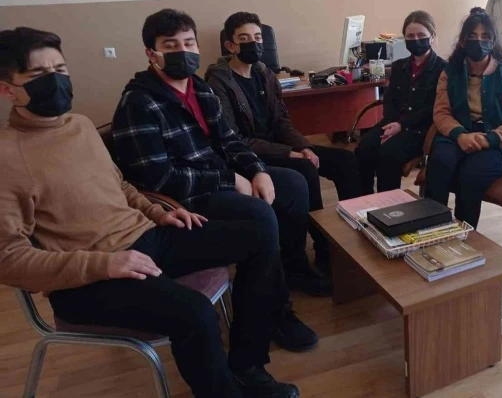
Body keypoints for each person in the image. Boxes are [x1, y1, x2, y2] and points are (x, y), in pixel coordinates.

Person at [0, 27, 299, 398]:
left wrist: (157, 213)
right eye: (39, 74)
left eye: (60, 70)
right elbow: (8, 259)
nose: (55, 81)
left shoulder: (79, 126)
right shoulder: (8, 157)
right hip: (87, 279)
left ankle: (247, 366)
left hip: (144, 238)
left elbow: (120, 185)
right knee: (195, 313)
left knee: (260, 234)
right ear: (8, 90)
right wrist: (103, 264)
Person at [112, 9, 325, 350]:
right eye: (170, 45)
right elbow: (158, 178)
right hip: (184, 200)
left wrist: (256, 170)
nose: (183, 51)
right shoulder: (138, 103)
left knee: (293, 185)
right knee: (260, 215)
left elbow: (230, 140)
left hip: (216, 178)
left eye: (188, 43)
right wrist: (230, 180)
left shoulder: (198, 88)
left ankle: (293, 268)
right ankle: (273, 311)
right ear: (152, 54)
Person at [205, 11, 363, 274]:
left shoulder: (264, 72)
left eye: (258, 37)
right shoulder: (219, 81)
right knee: (305, 169)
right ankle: (319, 250)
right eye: (244, 38)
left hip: (278, 146)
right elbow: (235, 139)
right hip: (249, 156)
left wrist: (304, 147)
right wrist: (290, 153)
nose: (253, 43)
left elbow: (281, 121)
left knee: (345, 160)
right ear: (230, 46)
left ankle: (355, 236)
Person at [426, 7, 502, 228]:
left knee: (471, 176)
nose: (478, 41)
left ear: (493, 42)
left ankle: (464, 236)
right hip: (457, 134)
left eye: (485, 36)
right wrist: (460, 135)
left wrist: (489, 139)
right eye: (472, 36)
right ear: (462, 42)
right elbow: (441, 112)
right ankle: (432, 228)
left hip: (496, 143)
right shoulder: (449, 73)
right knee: (439, 162)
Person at [355, 11, 446, 194]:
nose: (416, 40)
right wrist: (391, 124)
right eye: (410, 36)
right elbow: (389, 101)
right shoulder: (398, 67)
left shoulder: (443, 69)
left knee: (387, 155)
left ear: (432, 36)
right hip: (393, 124)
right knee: (363, 149)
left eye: (421, 35)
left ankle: (388, 205)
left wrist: (402, 125)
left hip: (421, 130)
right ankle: (365, 201)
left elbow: (434, 109)